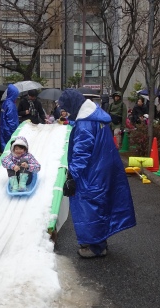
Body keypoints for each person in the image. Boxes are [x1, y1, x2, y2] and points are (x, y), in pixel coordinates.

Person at [58, 89, 136, 258]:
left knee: (89, 206)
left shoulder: (85, 123)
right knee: (101, 204)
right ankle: (99, 242)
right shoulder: (95, 117)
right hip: (103, 169)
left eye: (67, 108)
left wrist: (72, 176)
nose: (67, 111)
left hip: (92, 172)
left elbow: (81, 152)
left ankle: (95, 247)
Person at [0, 84, 20, 153]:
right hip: (9, 129)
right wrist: (14, 130)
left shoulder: (5, 102)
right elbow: (12, 119)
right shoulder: (11, 105)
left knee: (4, 146)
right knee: (10, 148)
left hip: (4, 127)